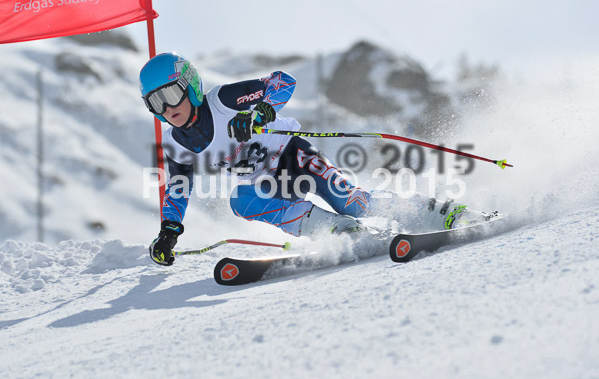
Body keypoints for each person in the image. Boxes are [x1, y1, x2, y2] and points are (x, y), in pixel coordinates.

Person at [139, 52, 490, 266]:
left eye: (171, 94)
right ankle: (338, 231)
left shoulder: (224, 100)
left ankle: (444, 212)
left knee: (351, 201)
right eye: (156, 103)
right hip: (267, 181)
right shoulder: (178, 143)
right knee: (241, 200)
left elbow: (282, 82)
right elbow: (178, 188)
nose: (168, 108)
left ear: (190, 84)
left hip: (296, 156)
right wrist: (169, 231)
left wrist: (260, 111)